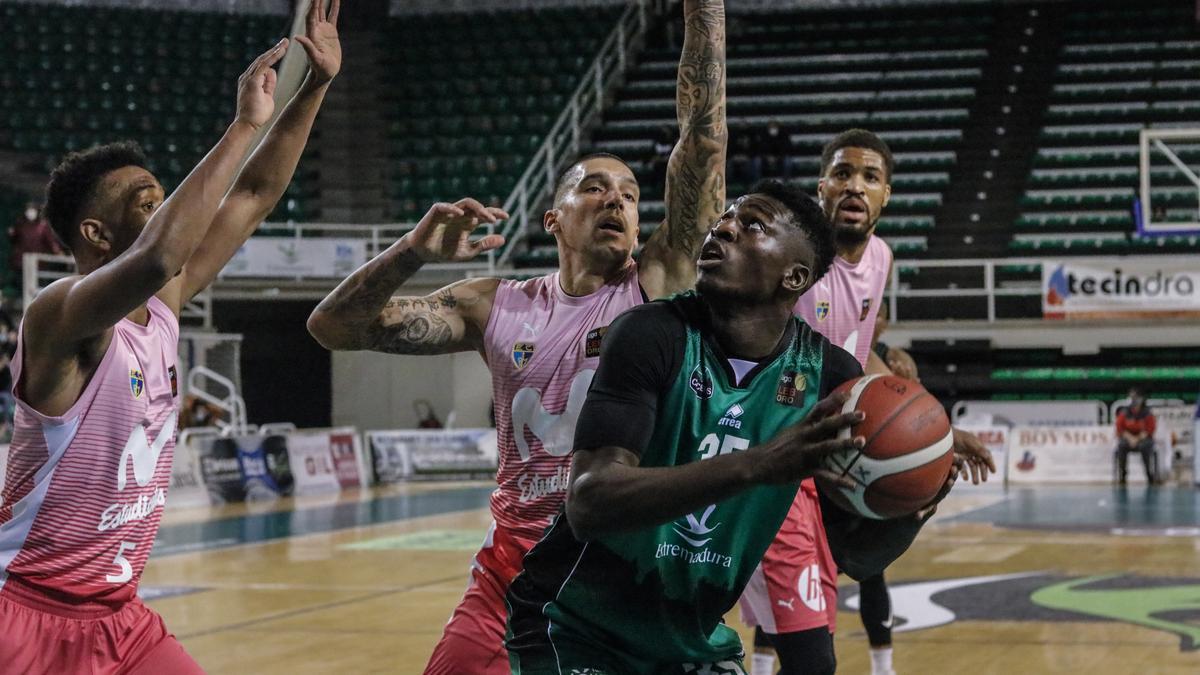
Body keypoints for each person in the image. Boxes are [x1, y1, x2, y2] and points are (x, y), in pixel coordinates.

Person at [306, 2, 728, 671]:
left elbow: (701, 146)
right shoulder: (494, 302)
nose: (617, 199)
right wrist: (412, 251)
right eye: (595, 188)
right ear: (552, 218)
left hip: (624, 575)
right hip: (512, 573)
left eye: (628, 191)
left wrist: (705, 10)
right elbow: (334, 327)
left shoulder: (657, 283)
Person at [0, 3, 341, 672]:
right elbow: (158, 254)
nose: (164, 209)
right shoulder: (57, 314)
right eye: (144, 199)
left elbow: (254, 196)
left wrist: (315, 87)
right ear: (95, 235)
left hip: (124, 616)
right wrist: (245, 124)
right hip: (26, 612)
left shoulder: (164, 304)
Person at [505, 180, 959, 673]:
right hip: (573, 624)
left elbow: (853, 555)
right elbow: (590, 501)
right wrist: (758, 464)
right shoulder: (650, 333)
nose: (722, 228)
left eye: (751, 225)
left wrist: (909, 510)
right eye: (724, 218)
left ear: (794, 276)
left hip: (691, 638)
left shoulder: (832, 379)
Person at [741, 130, 993, 675]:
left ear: (887, 196)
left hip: (831, 458)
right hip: (773, 457)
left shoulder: (881, 257)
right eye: (843, 173)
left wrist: (938, 430)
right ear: (822, 186)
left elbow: (856, 360)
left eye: (870, 177)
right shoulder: (788, 255)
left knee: (911, 498)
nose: (855, 186)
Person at [9, 200, 64, 278]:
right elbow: (14, 240)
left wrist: (58, 252)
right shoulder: (20, 224)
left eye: (33, 210)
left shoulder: (43, 226)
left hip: (37, 264)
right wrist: (11, 234)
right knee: (21, 285)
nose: (30, 212)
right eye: (29, 210)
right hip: (21, 263)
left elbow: (51, 242)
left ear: (37, 211)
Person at [1116, 386, 1157, 485]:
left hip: (1143, 439)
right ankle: (1123, 475)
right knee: (1121, 445)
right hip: (1128, 438)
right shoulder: (1125, 412)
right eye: (1131, 397)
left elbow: (1149, 430)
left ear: (1141, 398)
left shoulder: (1147, 413)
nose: (1133, 400)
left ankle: (1149, 474)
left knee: (1145, 446)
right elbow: (1120, 428)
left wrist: (1137, 439)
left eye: (1135, 397)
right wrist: (1130, 438)